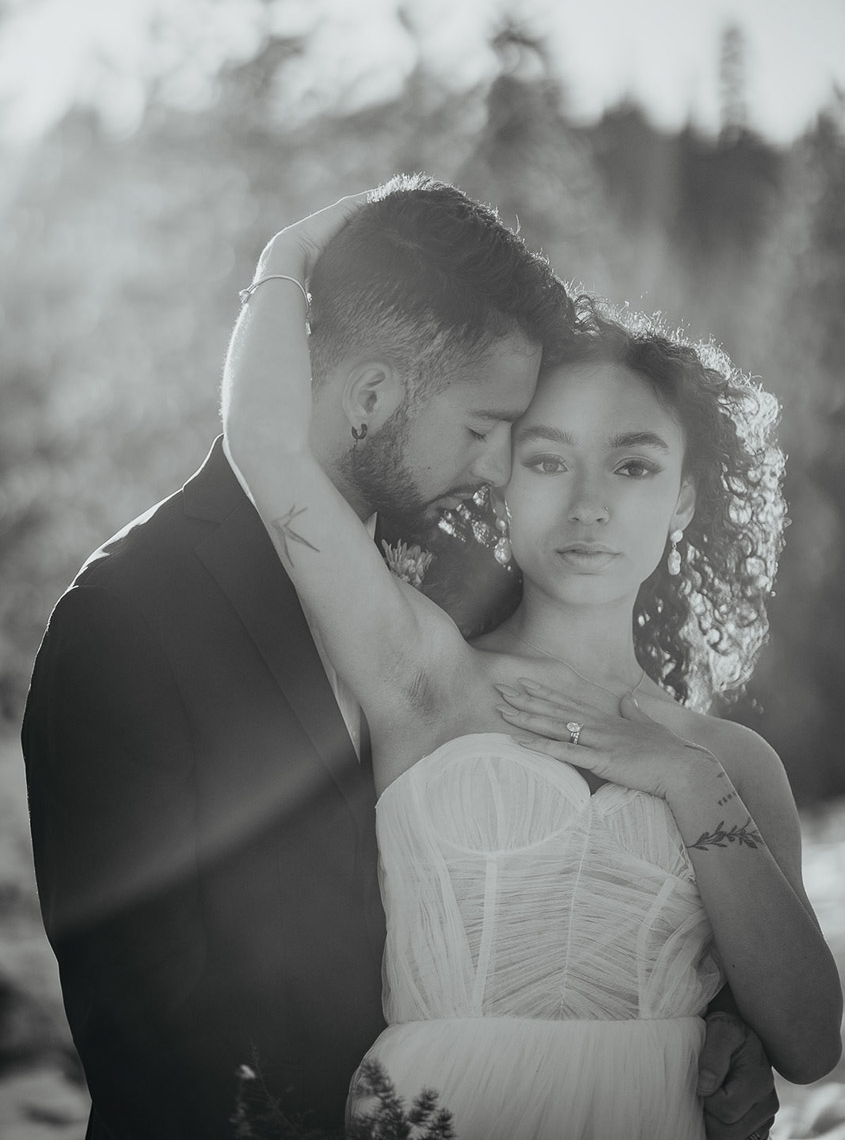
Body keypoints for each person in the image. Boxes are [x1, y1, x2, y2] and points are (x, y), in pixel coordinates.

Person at [223, 193, 843, 1140]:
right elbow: (263, 444)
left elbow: (808, 1043)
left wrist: (682, 777)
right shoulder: (421, 670)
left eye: (631, 467)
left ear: (682, 499)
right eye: (548, 461)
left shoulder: (728, 763)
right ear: (503, 478)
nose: (589, 504)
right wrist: (288, 253)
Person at [20, 176, 572, 1138]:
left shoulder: (458, 584)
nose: (495, 466)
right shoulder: (125, 618)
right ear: (370, 397)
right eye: (481, 428)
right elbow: (148, 1036)